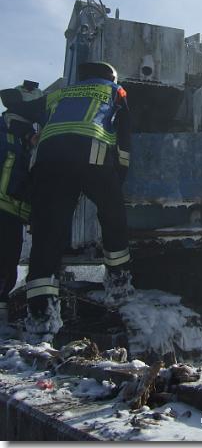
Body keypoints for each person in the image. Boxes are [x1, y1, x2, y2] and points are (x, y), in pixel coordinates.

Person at [0, 61, 132, 343]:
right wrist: (118, 177)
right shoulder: (115, 91)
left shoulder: (59, 95)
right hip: (92, 156)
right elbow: (124, 140)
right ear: (112, 77)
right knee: (112, 215)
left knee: (48, 235)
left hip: (48, 162)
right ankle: (119, 281)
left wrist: (28, 128)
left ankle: (40, 317)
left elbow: (12, 105)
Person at [0, 81, 42, 331]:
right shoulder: (7, 131)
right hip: (3, 208)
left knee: (9, 261)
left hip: (13, 212)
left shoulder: (27, 138)